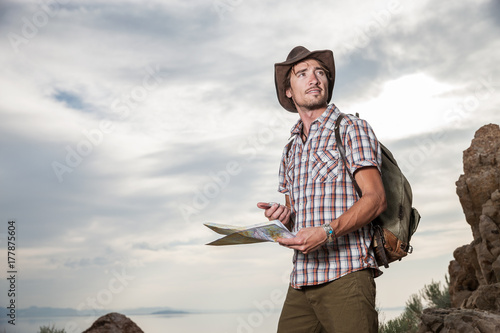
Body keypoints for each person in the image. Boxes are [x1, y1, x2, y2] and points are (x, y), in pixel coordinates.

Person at [257, 46, 387, 333]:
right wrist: (284, 217)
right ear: (289, 91)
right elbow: (296, 217)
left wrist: (326, 232)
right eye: (302, 74)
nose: (313, 79)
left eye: (320, 73)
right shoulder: (290, 149)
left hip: (347, 275)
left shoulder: (351, 128)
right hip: (302, 279)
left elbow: (376, 200)